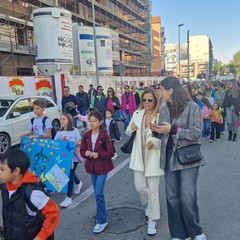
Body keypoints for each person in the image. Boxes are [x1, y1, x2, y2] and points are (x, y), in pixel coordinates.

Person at [150, 77, 206, 240]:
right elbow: (164, 133)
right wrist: (156, 130)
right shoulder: (164, 107)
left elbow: (196, 134)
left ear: (170, 90)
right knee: (172, 197)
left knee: (187, 197)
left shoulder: (192, 107)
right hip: (168, 158)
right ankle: (178, 233)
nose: (159, 92)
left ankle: (195, 231)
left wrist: (173, 129)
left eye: (161, 89)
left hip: (187, 157)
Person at [126, 88, 164, 236]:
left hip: (154, 156)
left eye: (150, 100)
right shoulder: (137, 114)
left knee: (153, 190)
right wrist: (132, 128)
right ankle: (151, 206)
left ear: (155, 101)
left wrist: (153, 143)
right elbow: (128, 132)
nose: (147, 103)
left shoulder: (160, 116)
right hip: (139, 156)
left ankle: (152, 219)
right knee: (139, 186)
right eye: (144, 100)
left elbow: (165, 139)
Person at [0, 149, 59, 240]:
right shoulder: (6, 186)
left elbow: (53, 214)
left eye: (2, 169)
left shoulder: (33, 192)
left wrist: (40, 237)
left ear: (16, 171)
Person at [80, 111, 114, 234]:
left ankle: (102, 220)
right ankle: (101, 215)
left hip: (103, 167)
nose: (92, 123)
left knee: (99, 193)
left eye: (94, 121)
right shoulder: (86, 135)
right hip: (91, 167)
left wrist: (98, 154)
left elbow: (110, 152)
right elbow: (82, 150)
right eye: (90, 121)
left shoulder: (105, 136)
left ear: (100, 122)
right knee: (97, 193)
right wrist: (86, 153)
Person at [54, 113, 83, 207]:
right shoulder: (59, 133)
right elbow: (55, 144)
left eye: (64, 119)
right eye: (61, 119)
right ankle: (78, 183)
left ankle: (68, 197)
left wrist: (73, 143)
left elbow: (80, 142)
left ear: (69, 120)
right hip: (63, 158)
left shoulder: (75, 131)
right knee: (70, 173)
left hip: (73, 157)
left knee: (69, 175)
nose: (61, 121)